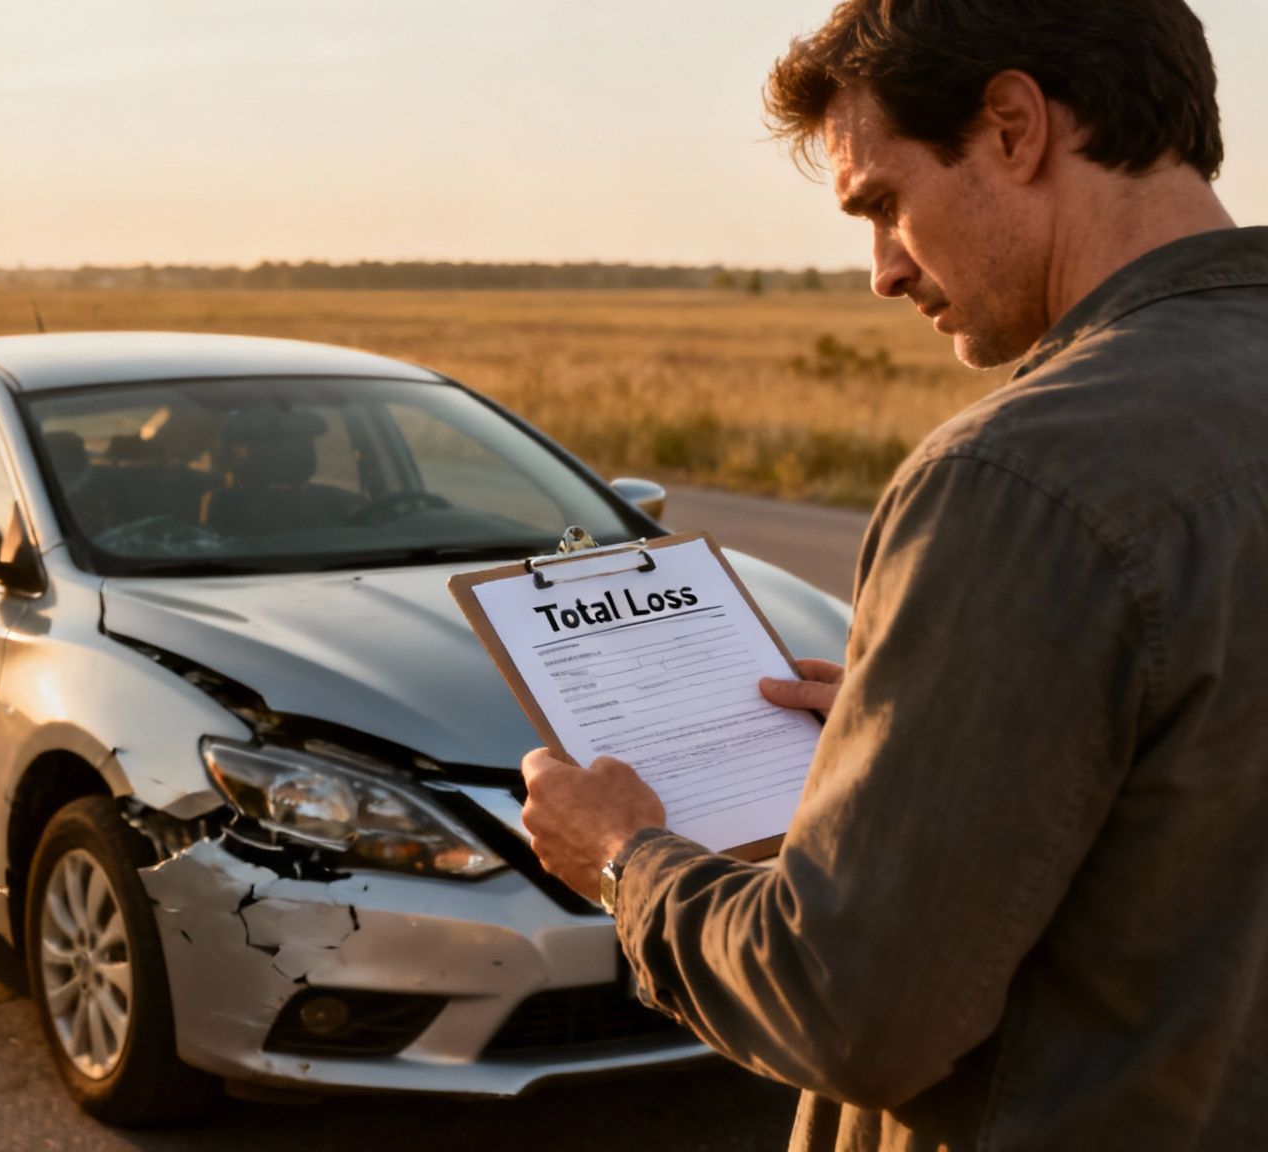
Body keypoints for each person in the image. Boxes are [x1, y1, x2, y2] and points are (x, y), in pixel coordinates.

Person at [517, 2, 1267, 1149]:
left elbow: (846, 1007)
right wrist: (916, 743)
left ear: (1012, 126)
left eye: (881, 202)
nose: (879, 270)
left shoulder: (1015, 478)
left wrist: (624, 861)